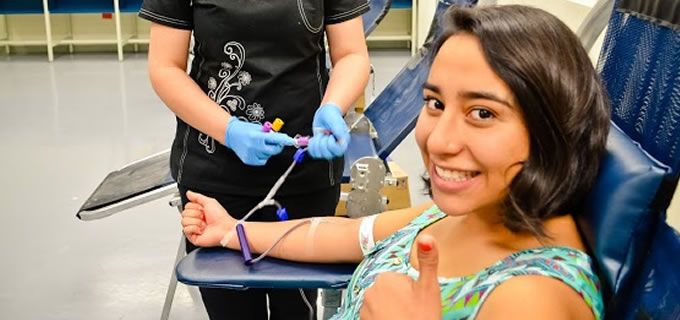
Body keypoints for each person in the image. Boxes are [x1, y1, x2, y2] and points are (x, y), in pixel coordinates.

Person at [180, 4, 610, 319]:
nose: (438, 141)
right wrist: (231, 232)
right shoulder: (463, 215)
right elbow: (344, 234)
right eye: (435, 102)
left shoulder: (529, 298)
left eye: (482, 113)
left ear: (554, 126)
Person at [138, 0, 370, 318]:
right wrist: (228, 130)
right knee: (231, 309)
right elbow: (164, 67)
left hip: (302, 174)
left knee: (296, 309)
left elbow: (352, 54)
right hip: (214, 174)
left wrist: (332, 106)